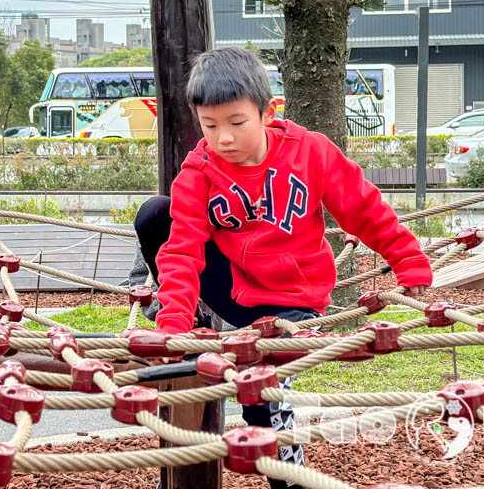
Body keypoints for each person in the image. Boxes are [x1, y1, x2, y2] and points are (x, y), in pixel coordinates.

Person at [133, 48, 432, 489]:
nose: (224, 139)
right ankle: (193, 317)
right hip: (232, 290)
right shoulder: (199, 170)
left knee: (258, 389)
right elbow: (181, 250)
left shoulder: (309, 152)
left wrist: (409, 263)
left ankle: (288, 478)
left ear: (267, 112)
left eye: (237, 123)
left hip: (292, 301)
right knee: (155, 214)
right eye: (209, 126)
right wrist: (173, 328)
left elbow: (364, 209)